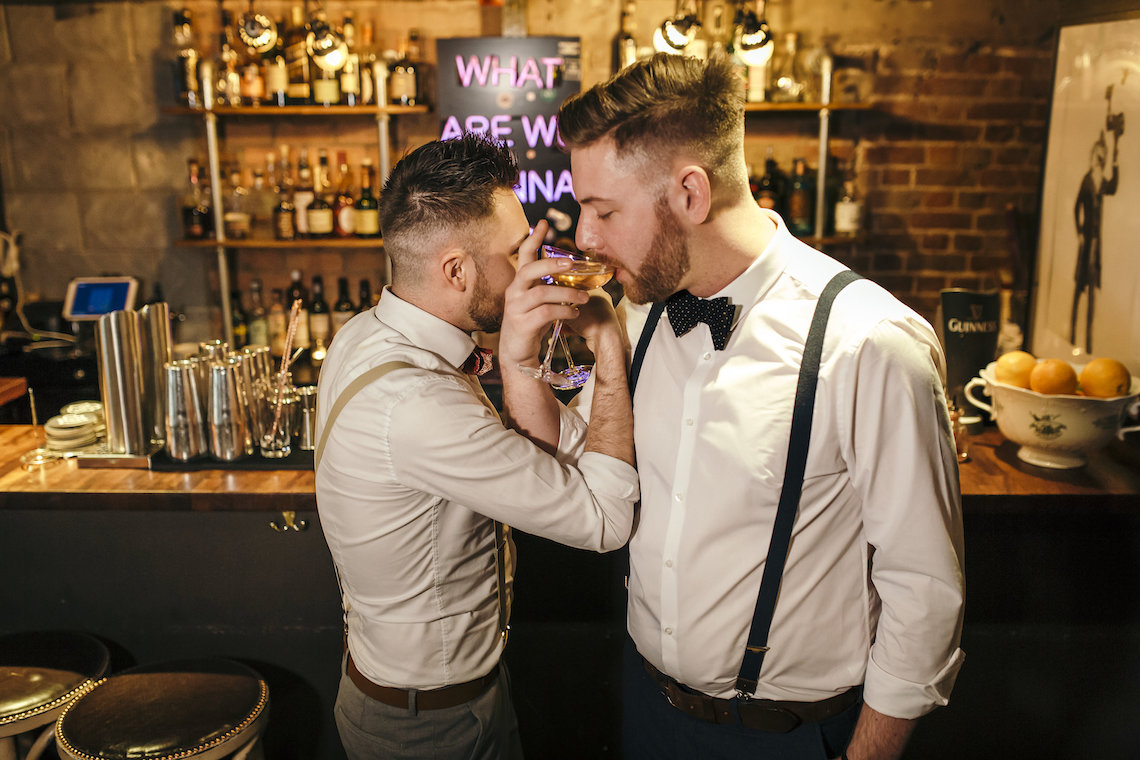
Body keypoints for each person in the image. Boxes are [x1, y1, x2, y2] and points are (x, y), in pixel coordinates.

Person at [506, 53, 966, 760]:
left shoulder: (868, 343)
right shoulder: (640, 313)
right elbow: (580, 462)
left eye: (604, 210)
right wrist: (518, 362)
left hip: (790, 737)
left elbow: (925, 590)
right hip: (647, 709)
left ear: (691, 193)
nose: (586, 236)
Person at [314, 132, 638, 760]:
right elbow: (605, 520)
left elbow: (552, 455)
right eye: (516, 252)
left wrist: (517, 359)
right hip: (431, 728)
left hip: (421, 697)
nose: (533, 265)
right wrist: (608, 351)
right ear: (456, 271)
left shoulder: (366, 334)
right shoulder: (418, 405)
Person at [1070, 131, 1119, 352]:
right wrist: (1080, 232)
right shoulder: (1088, 180)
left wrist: (1115, 155)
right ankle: (1072, 334)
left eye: (1102, 157)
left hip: (1096, 244)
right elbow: (1076, 206)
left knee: (1092, 288)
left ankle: (1089, 345)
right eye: (1098, 156)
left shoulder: (1101, 182)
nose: (1099, 160)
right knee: (1079, 287)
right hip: (1087, 241)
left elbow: (1114, 186)